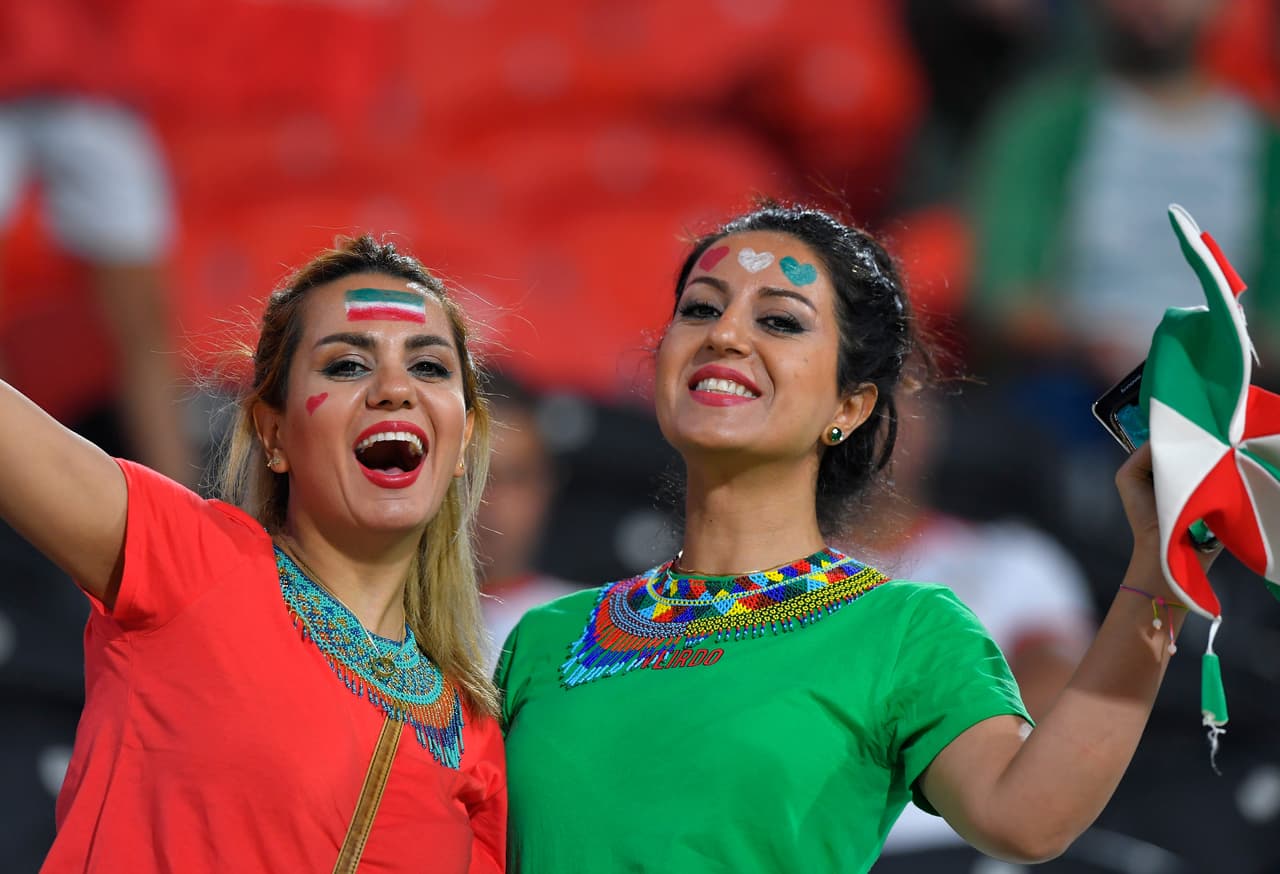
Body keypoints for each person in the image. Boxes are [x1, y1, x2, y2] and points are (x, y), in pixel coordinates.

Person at [495, 202, 1218, 872]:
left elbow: (1025, 817)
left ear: (851, 404)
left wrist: (1161, 577)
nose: (724, 333)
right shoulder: (545, 637)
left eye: (779, 321)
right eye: (701, 309)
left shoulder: (905, 632)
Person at [3, 235, 505, 872]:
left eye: (429, 367)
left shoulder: (476, 735)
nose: (394, 389)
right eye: (347, 365)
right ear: (274, 434)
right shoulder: (188, 561)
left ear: (462, 440)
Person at [475, 372, 579, 672]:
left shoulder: (590, 628)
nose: (488, 500)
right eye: (472, 476)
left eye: (515, 477)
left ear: (547, 486)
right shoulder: (382, 621)